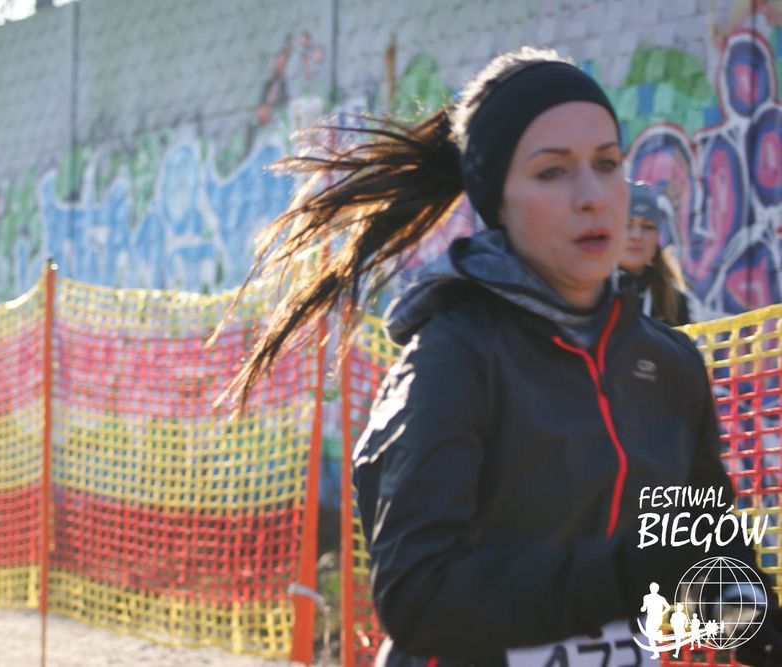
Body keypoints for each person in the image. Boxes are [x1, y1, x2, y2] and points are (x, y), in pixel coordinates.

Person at [220, 47, 782, 666]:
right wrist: (622, 576)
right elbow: (419, 599)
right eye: (552, 172)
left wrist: (762, 631)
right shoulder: (452, 358)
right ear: (498, 202)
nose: (593, 196)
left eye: (607, 163)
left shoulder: (668, 365)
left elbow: (708, 562)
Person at [619, 181, 691, 326]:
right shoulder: (586, 295)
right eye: (627, 224)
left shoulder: (674, 303)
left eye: (648, 226)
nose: (637, 235)